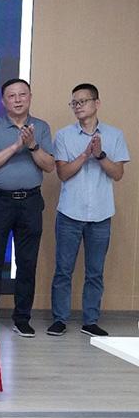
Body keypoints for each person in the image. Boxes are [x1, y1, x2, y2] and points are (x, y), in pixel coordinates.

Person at [48, 83, 129, 337]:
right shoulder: (64, 135)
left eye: (83, 101)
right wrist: (85, 155)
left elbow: (118, 174)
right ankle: (59, 319)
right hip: (69, 213)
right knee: (63, 270)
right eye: (74, 103)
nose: (78, 106)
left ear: (97, 103)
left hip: (101, 214)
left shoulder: (115, 135)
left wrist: (100, 155)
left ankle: (90, 320)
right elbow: (62, 173)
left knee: (95, 272)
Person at [0, 78, 55, 337]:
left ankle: (22, 318)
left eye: (22, 94)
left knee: (27, 262)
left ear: (30, 97)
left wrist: (32, 145)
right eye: (12, 96)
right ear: (3, 101)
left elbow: (49, 165)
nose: (18, 99)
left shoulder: (41, 128)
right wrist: (16, 146)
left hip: (30, 202)